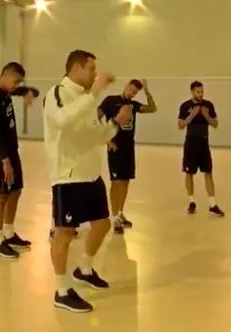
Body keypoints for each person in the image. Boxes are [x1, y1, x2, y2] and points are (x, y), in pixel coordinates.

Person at [43, 49, 132, 313]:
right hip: (68, 176)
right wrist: (95, 92)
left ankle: (85, 268)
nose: (95, 73)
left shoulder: (85, 98)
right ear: (78, 68)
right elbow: (63, 121)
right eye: (92, 68)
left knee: (102, 224)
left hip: (91, 174)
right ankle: (61, 290)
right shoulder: (57, 93)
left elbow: (93, 135)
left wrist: (114, 124)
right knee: (64, 233)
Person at [0, 62, 31, 259]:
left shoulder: (5, 92)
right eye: (16, 81)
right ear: (6, 76)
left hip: (11, 151)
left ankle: (9, 233)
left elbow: (22, 90)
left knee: (16, 191)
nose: (17, 86)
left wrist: (27, 93)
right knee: (0, 196)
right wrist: (4, 160)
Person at [99, 79, 157, 234]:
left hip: (128, 147)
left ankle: (120, 212)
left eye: (135, 92)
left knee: (125, 181)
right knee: (116, 182)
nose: (131, 93)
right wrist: (106, 139)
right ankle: (114, 216)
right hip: (115, 147)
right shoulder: (110, 101)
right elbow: (95, 119)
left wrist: (146, 91)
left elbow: (152, 108)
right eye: (130, 89)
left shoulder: (134, 105)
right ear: (125, 86)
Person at [178, 81, 225, 216]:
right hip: (190, 143)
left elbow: (215, 124)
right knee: (189, 173)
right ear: (192, 92)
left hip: (204, 143)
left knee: (208, 173)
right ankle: (191, 201)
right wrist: (191, 116)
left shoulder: (208, 105)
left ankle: (212, 204)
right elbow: (180, 125)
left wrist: (206, 116)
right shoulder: (185, 106)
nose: (200, 94)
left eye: (202, 92)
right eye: (198, 92)